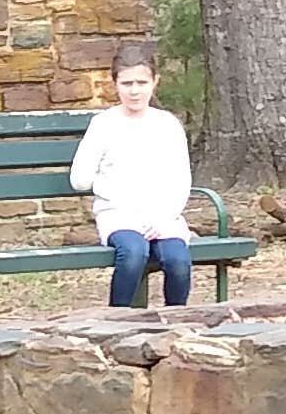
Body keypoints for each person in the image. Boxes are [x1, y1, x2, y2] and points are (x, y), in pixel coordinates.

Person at [70, 57, 195, 309]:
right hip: (119, 216)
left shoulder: (167, 124)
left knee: (178, 260)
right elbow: (80, 179)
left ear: (154, 82)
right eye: (127, 83)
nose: (134, 90)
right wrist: (115, 188)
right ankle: (119, 320)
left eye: (141, 82)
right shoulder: (104, 124)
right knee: (133, 253)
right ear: (115, 84)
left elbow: (181, 178)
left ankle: (176, 321)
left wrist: (162, 218)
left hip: (163, 217)